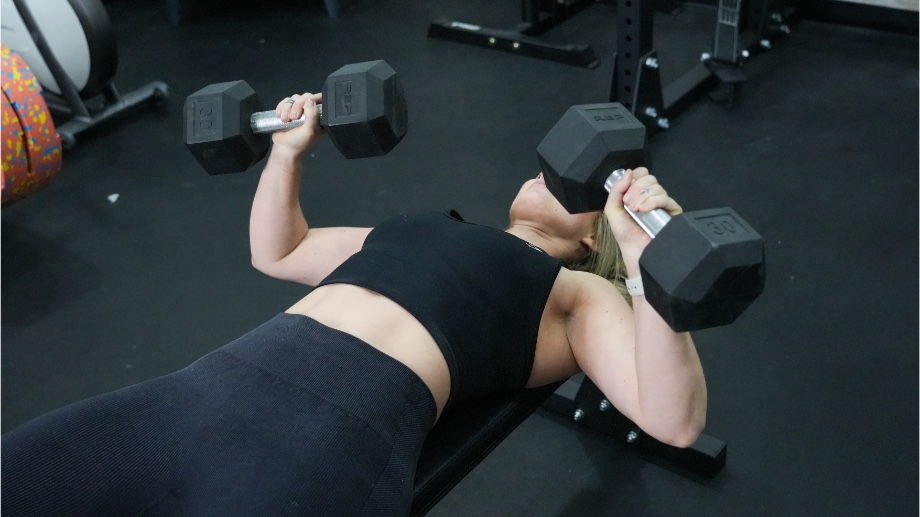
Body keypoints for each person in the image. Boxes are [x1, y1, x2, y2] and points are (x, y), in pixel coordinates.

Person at [1, 92, 707, 517]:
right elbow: (278, 250)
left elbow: (674, 420)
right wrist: (290, 151)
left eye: (591, 193)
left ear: (593, 241)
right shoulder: (426, 227)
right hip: (197, 395)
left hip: (326, 442)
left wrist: (649, 263)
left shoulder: (578, 291)